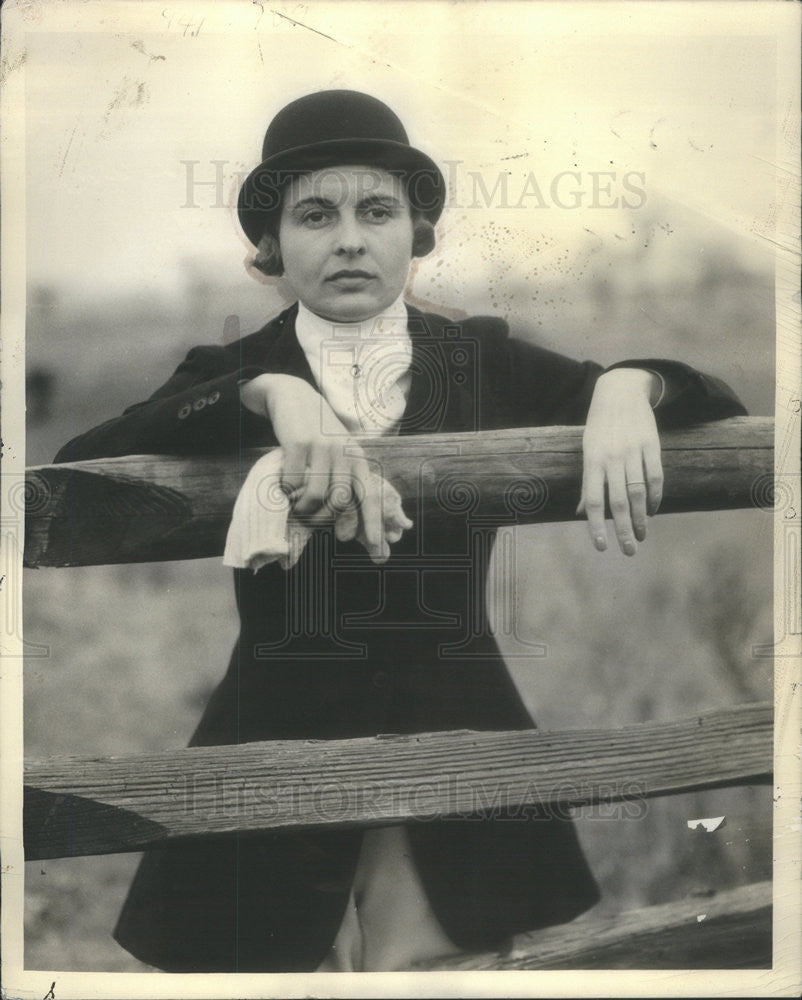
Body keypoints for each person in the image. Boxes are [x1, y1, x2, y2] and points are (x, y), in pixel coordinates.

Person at [54, 90, 747, 973]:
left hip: (456, 755)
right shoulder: (229, 370)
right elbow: (78, 464)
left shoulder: (480, 359)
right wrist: (269, 394)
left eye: (376, 210)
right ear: (270, 247)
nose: (349, 237)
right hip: (273, 760)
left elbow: (712, 397)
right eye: (316, 214)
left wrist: (626, 388)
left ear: (419, 232)